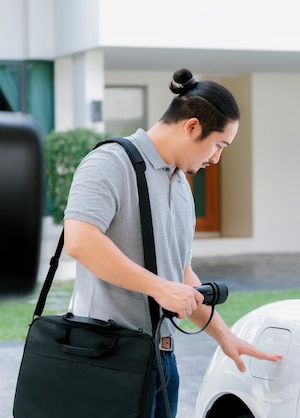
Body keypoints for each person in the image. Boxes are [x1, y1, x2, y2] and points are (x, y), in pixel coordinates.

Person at [63, 68, 282, 417]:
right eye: (219, 145)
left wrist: (224, 336)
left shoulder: (180, 186)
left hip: (162, 361)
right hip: (107, 359)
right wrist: (159, 288)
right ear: (192, 127)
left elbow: (180, 275)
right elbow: (80, 240)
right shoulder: (110, 162)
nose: (216, 159)